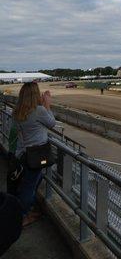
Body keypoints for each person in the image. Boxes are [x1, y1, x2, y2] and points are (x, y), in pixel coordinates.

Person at [13, 82, 56, 226]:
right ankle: (22, 216)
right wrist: (47, 104)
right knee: (29, 186)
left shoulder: (17, 111)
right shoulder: (38, 110)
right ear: (35, 95)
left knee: (33, 181)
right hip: (36, 155)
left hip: (23, 153)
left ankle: (27, 210)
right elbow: (52, 123)